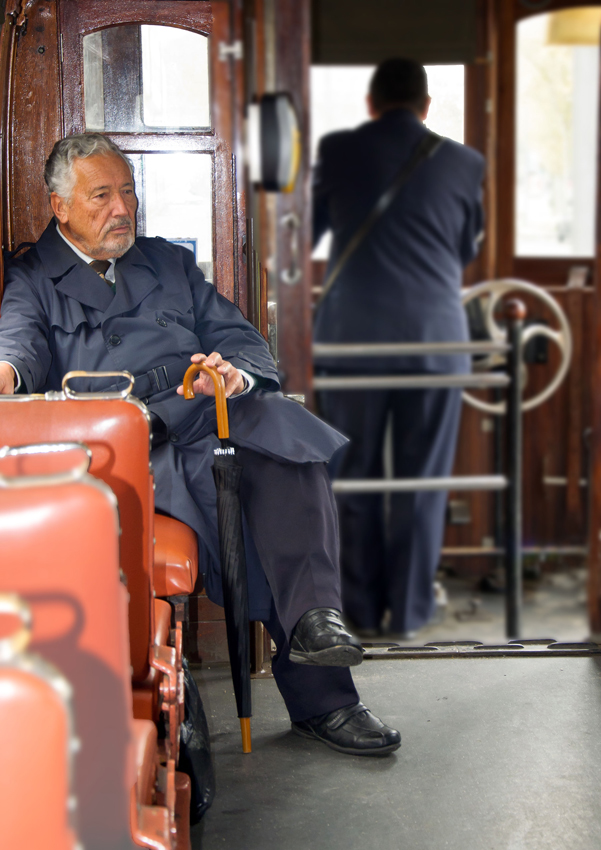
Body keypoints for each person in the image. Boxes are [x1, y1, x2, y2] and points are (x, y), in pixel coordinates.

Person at [0, 132, 400, 756]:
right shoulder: (32, 279)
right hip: (137, 444)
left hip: (207, 411)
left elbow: (239, 338)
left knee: (289, 445)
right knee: (252, 509)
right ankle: (324, 697)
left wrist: (236, 373)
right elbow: (17, 346)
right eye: (101, 196)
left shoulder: (167, 262)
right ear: (60, 206)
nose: (122, 208)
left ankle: (318, 624)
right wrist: (6, 373)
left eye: (127, 191)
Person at [313, 58, 485, 638]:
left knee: (353, 474)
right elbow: (465, 248)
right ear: (426, 105)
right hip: (435, 338)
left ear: (371, 103)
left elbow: (308, 231)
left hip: (351, 337)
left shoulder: (338, 151)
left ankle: (360, 611)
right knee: (422, 480)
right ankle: (409, 613)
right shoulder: (464, 162)